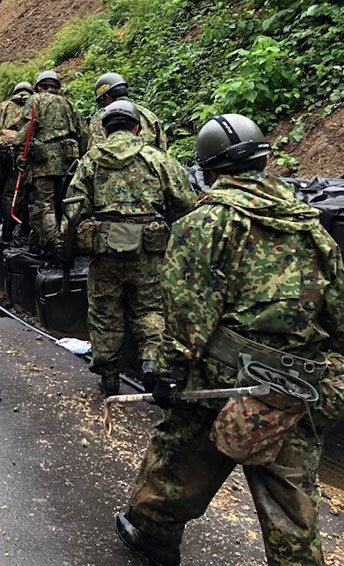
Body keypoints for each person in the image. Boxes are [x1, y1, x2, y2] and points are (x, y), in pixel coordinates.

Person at [116, 113, 344, 566]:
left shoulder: (206, 225)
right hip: (295, 388)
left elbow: (187, 315)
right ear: (264, 160)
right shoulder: (313, 229)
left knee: (176, 460)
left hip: (219, 383)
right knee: (292, 506)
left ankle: (153, 536)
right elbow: (338, 316)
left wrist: (168, 374)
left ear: (211, 171)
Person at [64, 101, 196, 396]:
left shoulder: (90, 160)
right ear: (137, 127)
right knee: (150, 308)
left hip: (105, 250)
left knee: (104, 312)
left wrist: (70, 242)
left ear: (105, 129)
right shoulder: (157, 158)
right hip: (149, 251)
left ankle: (109, 377)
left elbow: (74, 210)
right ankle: (151, 363)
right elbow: (187, 202)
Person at [14, 70, 88, 251]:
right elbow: (83, 134)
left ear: (39, 87)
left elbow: (26, 130)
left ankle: (57, 247)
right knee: (61, 202)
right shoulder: (70, 104)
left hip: (43, 162)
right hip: (69, 162)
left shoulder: (35, 100)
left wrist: (18, 154)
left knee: (42, 204)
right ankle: (55, 241)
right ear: (58, 88)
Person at [0, 81, 34, 239]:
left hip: (0, 151)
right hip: (19, 153)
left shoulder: (4, 105)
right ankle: (8, 231)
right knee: (12, 193)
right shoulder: (34, 105)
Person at [88, 73, 167, 150]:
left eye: (102, 101)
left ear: (107, 97)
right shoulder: (149, 115)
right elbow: (162, 149)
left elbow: (93, 152)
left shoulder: (99, 118)